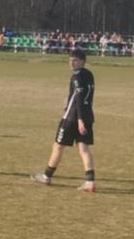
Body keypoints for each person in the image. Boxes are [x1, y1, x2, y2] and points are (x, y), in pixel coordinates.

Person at [33, 48, 96, 192]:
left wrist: (79, 119)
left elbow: (79, 98)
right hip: (88, 115)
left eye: (75, 60)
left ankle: (46, 176)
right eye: (70, 60)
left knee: (58, 146)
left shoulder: (76, 77)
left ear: (82, 61)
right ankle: (90, 181)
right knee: (84, 148)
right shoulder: (89, 74)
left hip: (72, 118)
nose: (71, 63)